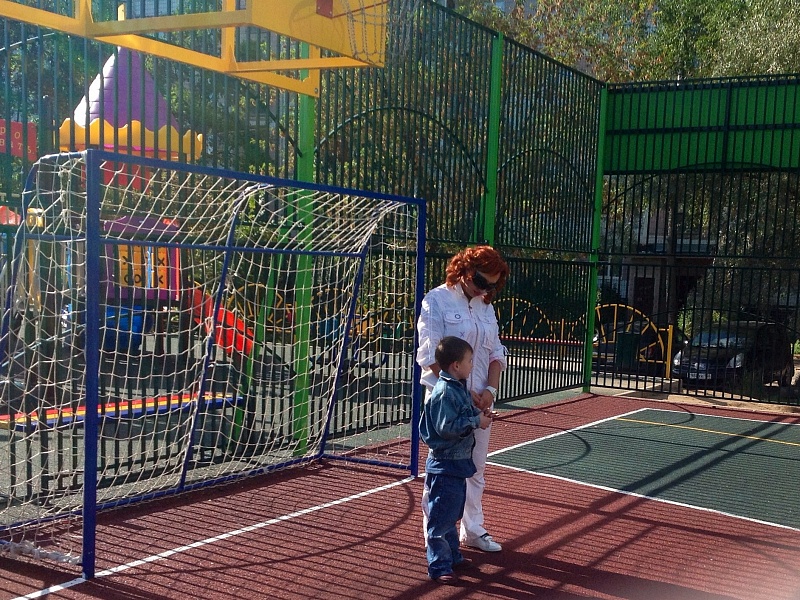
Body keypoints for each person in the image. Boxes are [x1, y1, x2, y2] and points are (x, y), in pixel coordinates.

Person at [417, 245, 509, 553]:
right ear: (465, 270)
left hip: (480, 402)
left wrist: (490, 391)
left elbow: (496, 352)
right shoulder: (437, 300)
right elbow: (430, 353)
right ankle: (436, 536)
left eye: (492, 286)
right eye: (481, 281)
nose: (485, 290)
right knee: (443, 469)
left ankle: (472, 529)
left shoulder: (485, 307)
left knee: (475, 468)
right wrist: (462, 392)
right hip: (447, 402)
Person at [420, 336, 492, 583]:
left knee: (451, 514)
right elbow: (446, 428)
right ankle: (439, 565)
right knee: (440, 517)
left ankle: (452, 556)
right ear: (456, 365)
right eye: (470, 361)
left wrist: (478, 414)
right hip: (445, 464)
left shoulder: (459, 387)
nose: (473, 365)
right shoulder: (444, 392)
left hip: (457, 462)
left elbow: (462, 414)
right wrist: (475, 422)